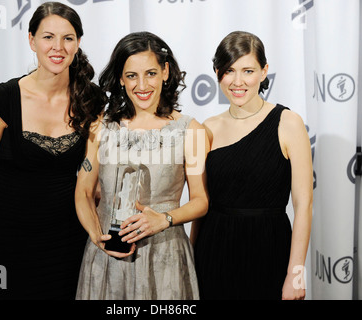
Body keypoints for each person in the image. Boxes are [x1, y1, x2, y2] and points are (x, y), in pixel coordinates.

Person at [0, 2, 106, 300]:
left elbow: (92, 175)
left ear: (78, 43)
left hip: (71, 240)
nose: (58, 47)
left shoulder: (92, 100)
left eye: (68, 38)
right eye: (48, 37)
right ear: (31, 40)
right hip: (12, 240)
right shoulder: (3, 100)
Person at [75, 31, 209, 299]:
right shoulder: (101, 126)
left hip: (165, 256)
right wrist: (96, 236)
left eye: (150, 73)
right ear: (121, 79)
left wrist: (164, 219)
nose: (142, 85)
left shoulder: (191, 130)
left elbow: (200, 200)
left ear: (165, 72)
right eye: (132, 76)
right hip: (106, 257)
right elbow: (84, 191)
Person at [192, 31, 313, 300]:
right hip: (213, 251)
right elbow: (201, 204)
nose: (237, 81)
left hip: (269, 250)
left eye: (248, 70)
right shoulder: (208, 128)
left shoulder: (288, 122)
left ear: (263, 71)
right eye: (229, 70)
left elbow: (304, 206)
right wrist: (191, 260)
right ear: (217, 72)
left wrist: (296, 275)